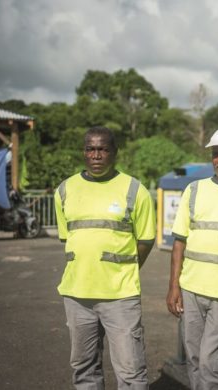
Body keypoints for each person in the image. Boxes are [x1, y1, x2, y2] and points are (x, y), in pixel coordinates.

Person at [55, 126, 156, 390]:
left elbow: (145, 240)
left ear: (114, 152)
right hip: (77, 295)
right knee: (84, 368)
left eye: (103, 149)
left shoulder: (135, 190)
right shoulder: (64, 190)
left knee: (131, 372)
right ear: (83, 152)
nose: (96, 155)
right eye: (91, 149)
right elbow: (68, 238)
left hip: (120, 296)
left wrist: (123, 269)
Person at [166, 128, 218, 390]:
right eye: (216, 154)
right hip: (191, 290)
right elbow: (179, 241)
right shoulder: (194, 190)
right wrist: (174, 286)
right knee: (193, 359)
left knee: (213, 364)